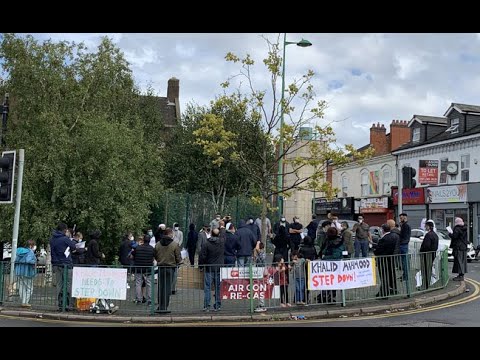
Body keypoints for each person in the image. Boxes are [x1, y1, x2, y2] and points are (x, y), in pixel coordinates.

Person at [50, 222, 76, 311]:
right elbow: (73, 247)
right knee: (68, 284)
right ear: (65, 230)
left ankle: (60, 305)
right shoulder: (65, 239)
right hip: (66, 264)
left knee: (59, 285)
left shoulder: (52, 239)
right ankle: (67, 305)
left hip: (56, 264)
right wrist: (69, 238)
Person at [154, 228, 182, 313]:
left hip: (161, 267)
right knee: (167, 288)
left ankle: (160, 305)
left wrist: (160, 260)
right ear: (170, 234)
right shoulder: (174, 244)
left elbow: (155, 255)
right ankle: (164, 307)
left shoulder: (158, 244)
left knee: (160, 287)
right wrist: (178, 262)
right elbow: (178, 257)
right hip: (170, 268)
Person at [199, 227, 225, 312]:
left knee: (207, 288)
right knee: (218, 287)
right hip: (219, 268)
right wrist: (222, 228)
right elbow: (224, 235)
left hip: (209, 267)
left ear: (211, 233)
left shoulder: (206, 243)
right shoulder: (222, 242)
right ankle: (217, 305)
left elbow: (202, 255)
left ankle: (206, 306)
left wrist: (201, 266)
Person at [318, 227, 345, 304]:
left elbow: (334, 254)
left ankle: (328, 296)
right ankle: (328, 296)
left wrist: (324, 257)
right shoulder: (338, 241)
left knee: (329, 281)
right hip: (334, 265)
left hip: (330, 264)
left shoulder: (331, 242)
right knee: (331, 281)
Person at [374, 223, 399, 299]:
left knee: (384, 277)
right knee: (389, 275)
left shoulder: (384, 239)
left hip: (383, 259)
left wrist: (375, 250)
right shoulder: (395, 236)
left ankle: (384, 293)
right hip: (390, 258)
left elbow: (378, 250)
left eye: (381, 229)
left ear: (383, 230)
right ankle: (389, 290)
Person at [132, 235, 155, 305]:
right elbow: (154, 257)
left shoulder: (137, 248)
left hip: (138, 267)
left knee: (138, 283)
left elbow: (132, 256)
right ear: (149, 241)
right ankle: (150, 300)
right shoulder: (152, 249)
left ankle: (139, 299)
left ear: (143, 240)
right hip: (148, 268)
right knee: (149, 283)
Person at [14, 239, 37, 308]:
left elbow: (16, 261)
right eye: (33, 245)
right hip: (27, 272)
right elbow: (28, 260)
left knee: (22, 287)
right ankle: (25, 302)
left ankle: (23, 302)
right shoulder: (30, 252)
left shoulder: (20, 251)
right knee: (29, 288)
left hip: (19, 271)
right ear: (30, 246)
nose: (34, 247)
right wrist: (34, 262)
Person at [419, 220, 439, 290]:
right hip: (432, 254)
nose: (425, 227)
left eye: (426, 226)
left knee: (425, 270)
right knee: (428, 269)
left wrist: (421, 251)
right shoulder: (435, 235)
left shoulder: (428, 235)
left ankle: (425, 285)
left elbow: (426, 246)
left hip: (426, 254)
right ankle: (427, 284)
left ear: (428, 226)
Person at [449, 217, 468, 281]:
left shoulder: (457, 228)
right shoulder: (464, 229)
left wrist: (450, 234)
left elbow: (455, 236)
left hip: (458, 247)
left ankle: (460, 276)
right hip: (463, 247)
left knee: (459, 261)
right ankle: (461, 275)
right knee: (463, 261)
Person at [253, 241, 267, 312]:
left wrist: (257, 243)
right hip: (259, 272)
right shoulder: (260, 253)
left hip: (261, 273)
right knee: (258, 289)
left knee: (260, 289)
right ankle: (260, 304)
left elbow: (256, 249)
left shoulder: (262, 253)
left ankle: (262, 305)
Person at [399, 213, 411, 281]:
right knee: (404, 261)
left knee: (405, 262)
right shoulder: (404, 225)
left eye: (401, 218)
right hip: (404, 244)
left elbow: (403, 235)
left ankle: (405, 276)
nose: (400, 219)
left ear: (405, 217)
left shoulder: (405, 225)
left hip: (403, 244)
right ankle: (404, 275)